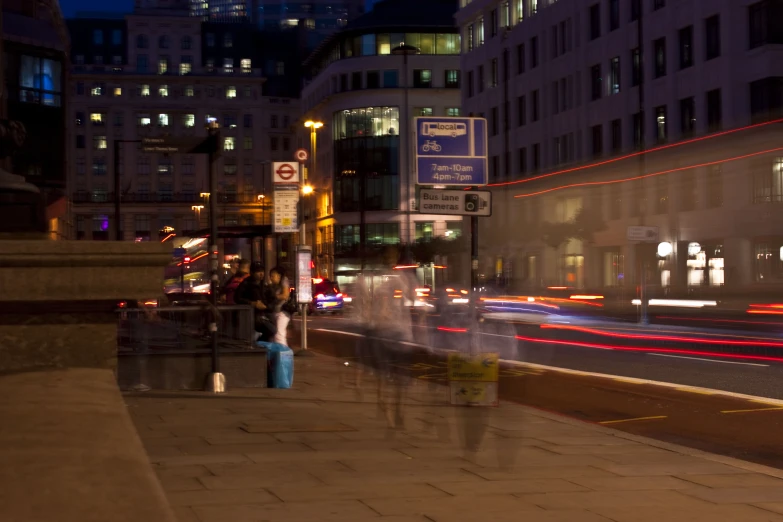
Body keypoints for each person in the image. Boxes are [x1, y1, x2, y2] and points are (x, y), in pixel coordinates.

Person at [235, 263, 276, 342]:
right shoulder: (246, 284)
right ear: (252, 272)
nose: (261, 274)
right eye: (258, 272)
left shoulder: (264, 284)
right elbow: (237, 298)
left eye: (262, 271)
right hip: (252, 316)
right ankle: (258, 345)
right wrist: (252, 303)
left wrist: (267, 306)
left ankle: (259, 345)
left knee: (271, 331)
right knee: (271, 330)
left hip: (264, 314)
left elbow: (272, 299)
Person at [265, 266, 291, 346]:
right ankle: (278, 352)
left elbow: (285, 295)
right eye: (270, 276)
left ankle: (284, 353)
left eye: (273, 276)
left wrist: (275, 296)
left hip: (283, 312)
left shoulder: (284, 281)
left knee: (279, 333)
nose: (271, 278)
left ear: (279, 276)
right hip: (275, 311)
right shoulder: (272, 285)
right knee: (275, 333)